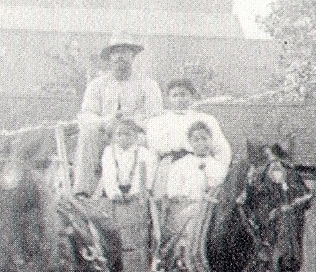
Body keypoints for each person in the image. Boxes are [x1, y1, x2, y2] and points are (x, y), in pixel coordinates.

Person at [73, 32, 163, 196]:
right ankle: (84, 191)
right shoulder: (97, 85)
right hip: (106, 134)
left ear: (133, 56)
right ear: (110, 57)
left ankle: (143, 192)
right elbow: (86, 115)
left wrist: (134, 122)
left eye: (125, 52)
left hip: (136, 135)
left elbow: (155, 117)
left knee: (150, 142)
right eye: (116, 52)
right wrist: (107, 121)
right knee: (88, 135)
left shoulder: (148, 85)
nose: (120, 56)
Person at [146, 77, 231, 193]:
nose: (179, 99)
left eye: (183, 95)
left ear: (192, 96)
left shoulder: (206, 119)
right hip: (166, 167)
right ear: (168, 98)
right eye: (175, 96)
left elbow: (221, 149)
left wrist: (218, 171)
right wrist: (149, 182)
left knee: (196, 198)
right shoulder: (157, 122)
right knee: (167, 201)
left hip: (197, 165)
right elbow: (153, 154)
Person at [155, 120, 228, 251]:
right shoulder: (180, 165)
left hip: (213, 211)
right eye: (196, 140)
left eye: (204, 139)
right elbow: (174, 194)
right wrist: (197, 199)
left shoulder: (219, 167)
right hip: (186, 211)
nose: (201, 143)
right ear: (190, 142)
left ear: (211, 140)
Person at [98, 117, 157, 203]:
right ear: (114, 136)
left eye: (127, 134)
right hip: (113, 194)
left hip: (138, 193)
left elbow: (145, 175)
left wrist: (135, 193)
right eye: (119, 134)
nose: (123, 137)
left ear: (135, 136)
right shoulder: (109, 151)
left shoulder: (143, 152)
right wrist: (114, 193)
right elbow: (108, 175)